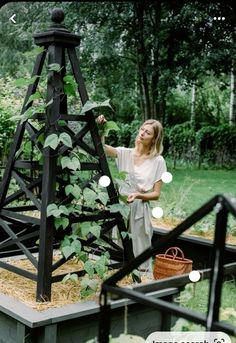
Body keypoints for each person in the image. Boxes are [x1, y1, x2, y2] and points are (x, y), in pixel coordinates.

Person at [97, 115, 167, 272]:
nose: (142, 133)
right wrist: (102, 129)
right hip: (122, 206)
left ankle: (139, 282)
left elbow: (156, 194)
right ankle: (119, 278)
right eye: (142, 129)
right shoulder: (125, 153)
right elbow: (100, 147)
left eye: (148, 132)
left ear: (154, 139)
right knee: (119, 245)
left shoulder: (158, 161)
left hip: (139, 208)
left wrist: (138, 195)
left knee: (140, 248)